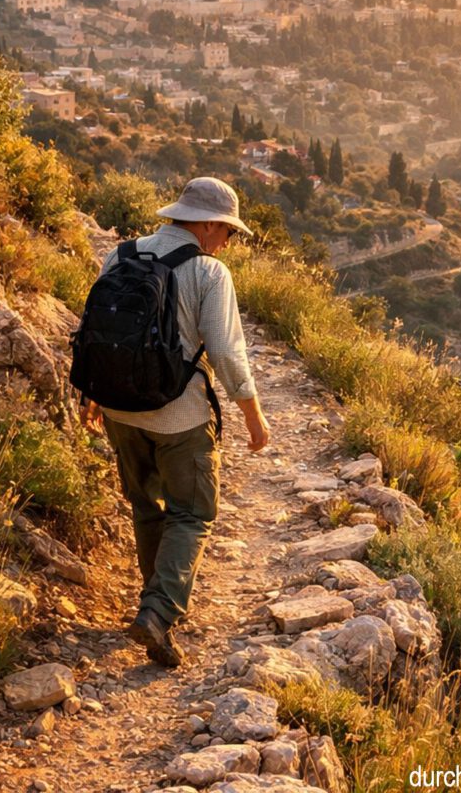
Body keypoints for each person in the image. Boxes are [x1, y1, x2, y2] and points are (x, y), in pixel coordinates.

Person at [80, 177, 270, 667]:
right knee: (191, 513)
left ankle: (153, 606)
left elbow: (95, 331)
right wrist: (253, 416)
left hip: (119, 410)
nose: (228, 243)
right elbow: (227, 354)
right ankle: (159, 613)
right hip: (179, 415)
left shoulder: (121, 255)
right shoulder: (209, 272)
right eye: (228, 233)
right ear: (207, 225)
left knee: (147, 507)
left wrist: (92, 393)